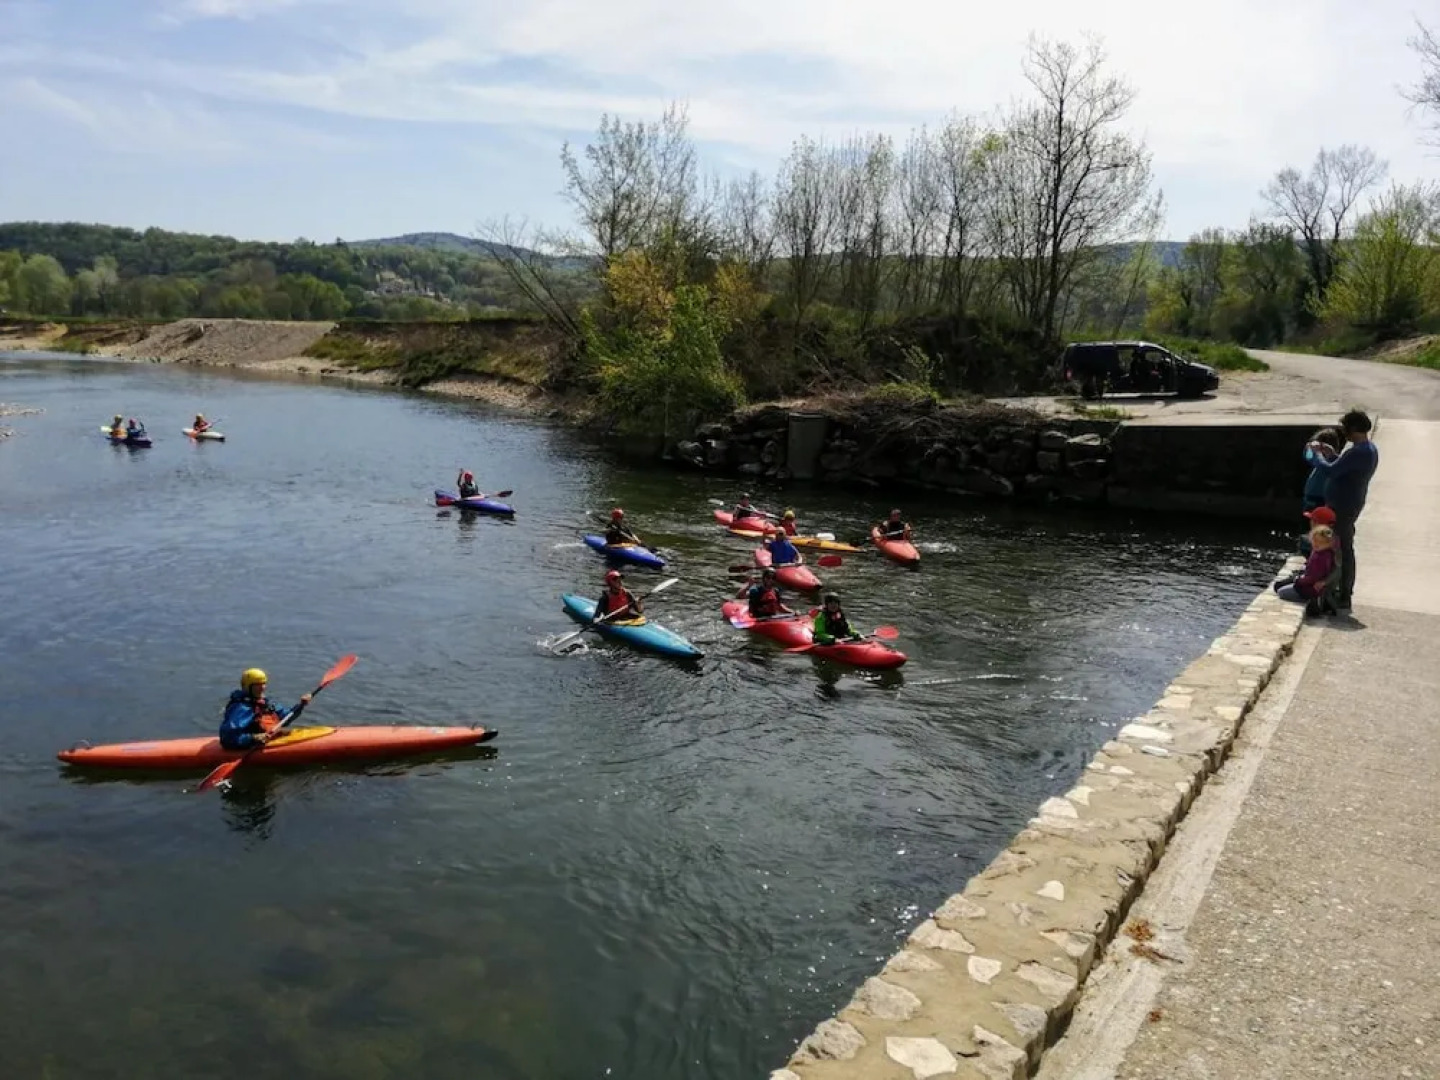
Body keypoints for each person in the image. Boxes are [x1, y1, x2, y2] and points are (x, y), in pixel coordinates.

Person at [1305, 410, 1379, 612]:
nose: (1344, 432)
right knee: (1342, 547)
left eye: (1345, 427)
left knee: (1342, 550)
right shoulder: (1367, 449)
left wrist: (1317, 455)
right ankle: (1340, 591)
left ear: (1353, 428)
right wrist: (1332, 455)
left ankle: (1344, 595)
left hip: (1344, 506)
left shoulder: (1359, 452)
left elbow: (1331, 470)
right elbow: (1344, 467)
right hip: (1349, 503)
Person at [219, 668, 312, 751]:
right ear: (248, 687)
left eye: (264, 684)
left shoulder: (266, 703)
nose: (262, 688)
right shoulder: (241, 708)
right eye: (258, 685)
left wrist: (301, 705)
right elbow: (227, 739)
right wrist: (253, 738)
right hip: (250, 746)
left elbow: (285, 719)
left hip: (268, 739)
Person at [1273, 525, 1339, 611]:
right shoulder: (1324, 553)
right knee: (1278, 585)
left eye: (1320, 542)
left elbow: (1312, 577)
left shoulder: (1320, 557)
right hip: (1308, 582)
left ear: (1328, 543)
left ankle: (1311, 601)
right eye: (1314, 541)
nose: (1316, 544)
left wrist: (1298, 580)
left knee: (1281, 592)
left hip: (1309, 587)